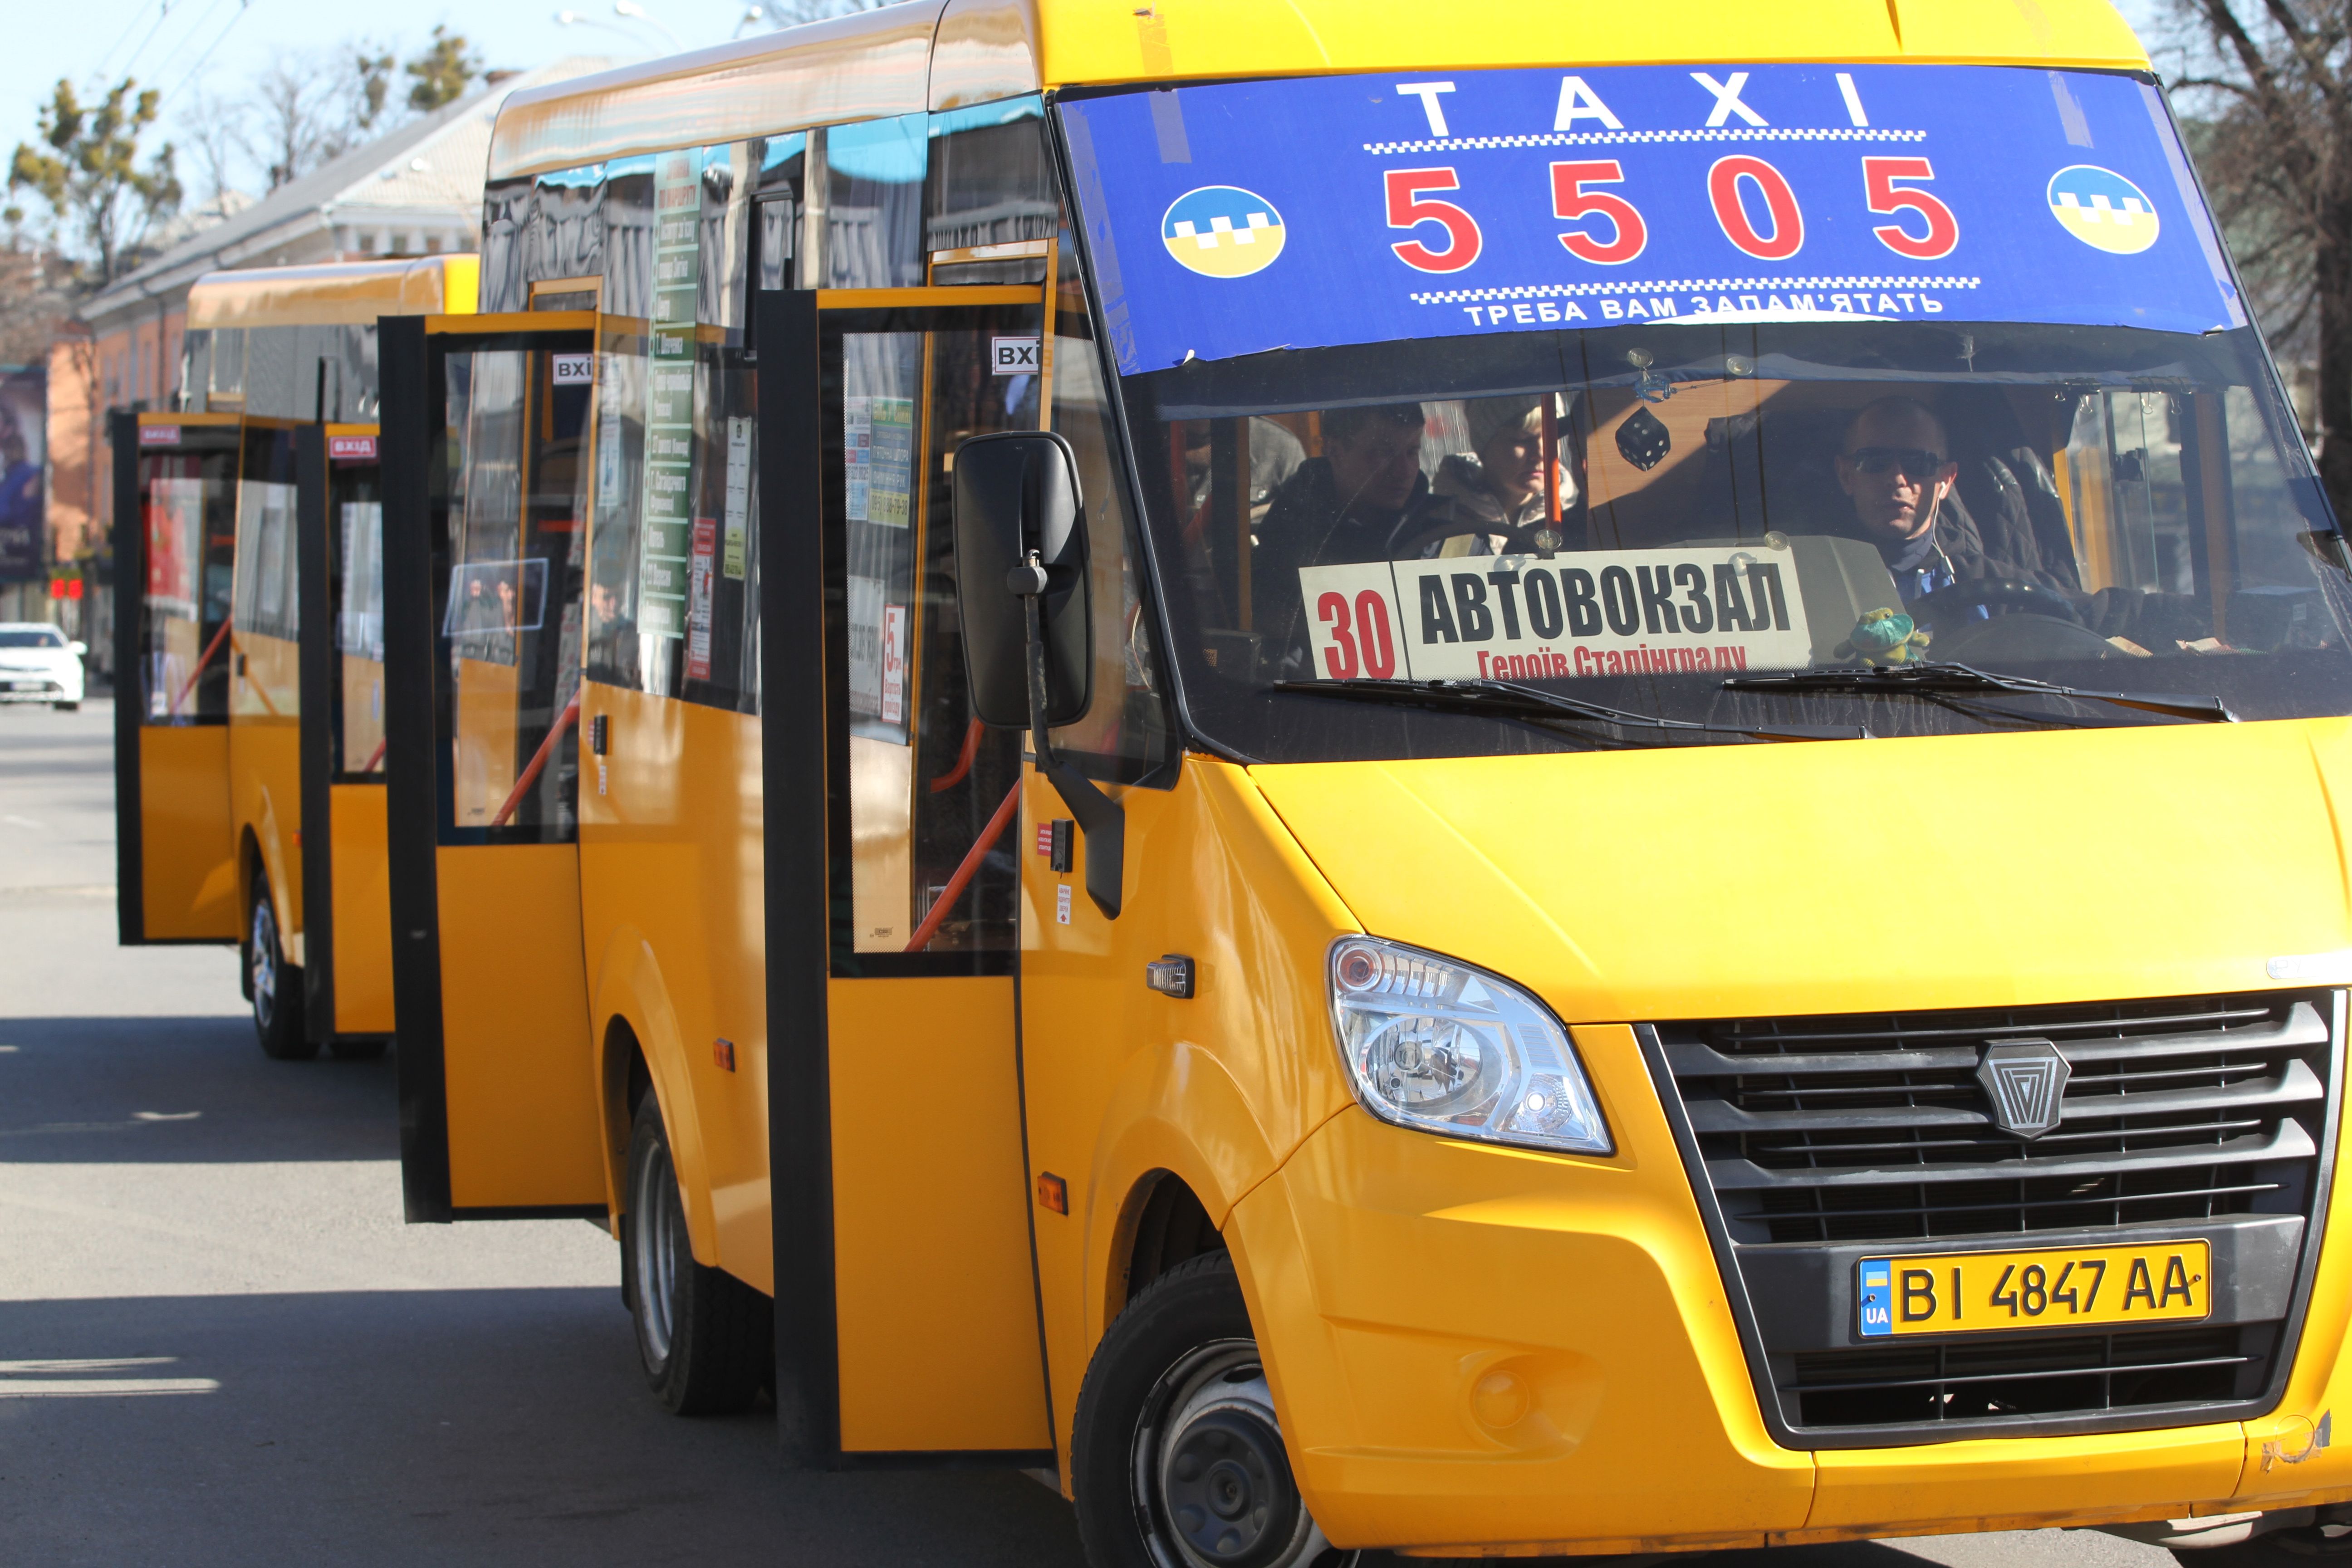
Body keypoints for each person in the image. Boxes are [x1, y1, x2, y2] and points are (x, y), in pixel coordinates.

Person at [1249, 402, 1427, 674]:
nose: (1403, 471)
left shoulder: (1445, 532)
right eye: (1384, 453)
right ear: (1335, 451)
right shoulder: (1290, 533)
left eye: (1412, 453)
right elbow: (1272, 628)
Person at [1401, 394, 1576, 557]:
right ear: (1485, 447)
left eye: (1551, 438)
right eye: (1521, 440)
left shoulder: (1575, 517)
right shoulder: (1439, 522)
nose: (1541, 453)